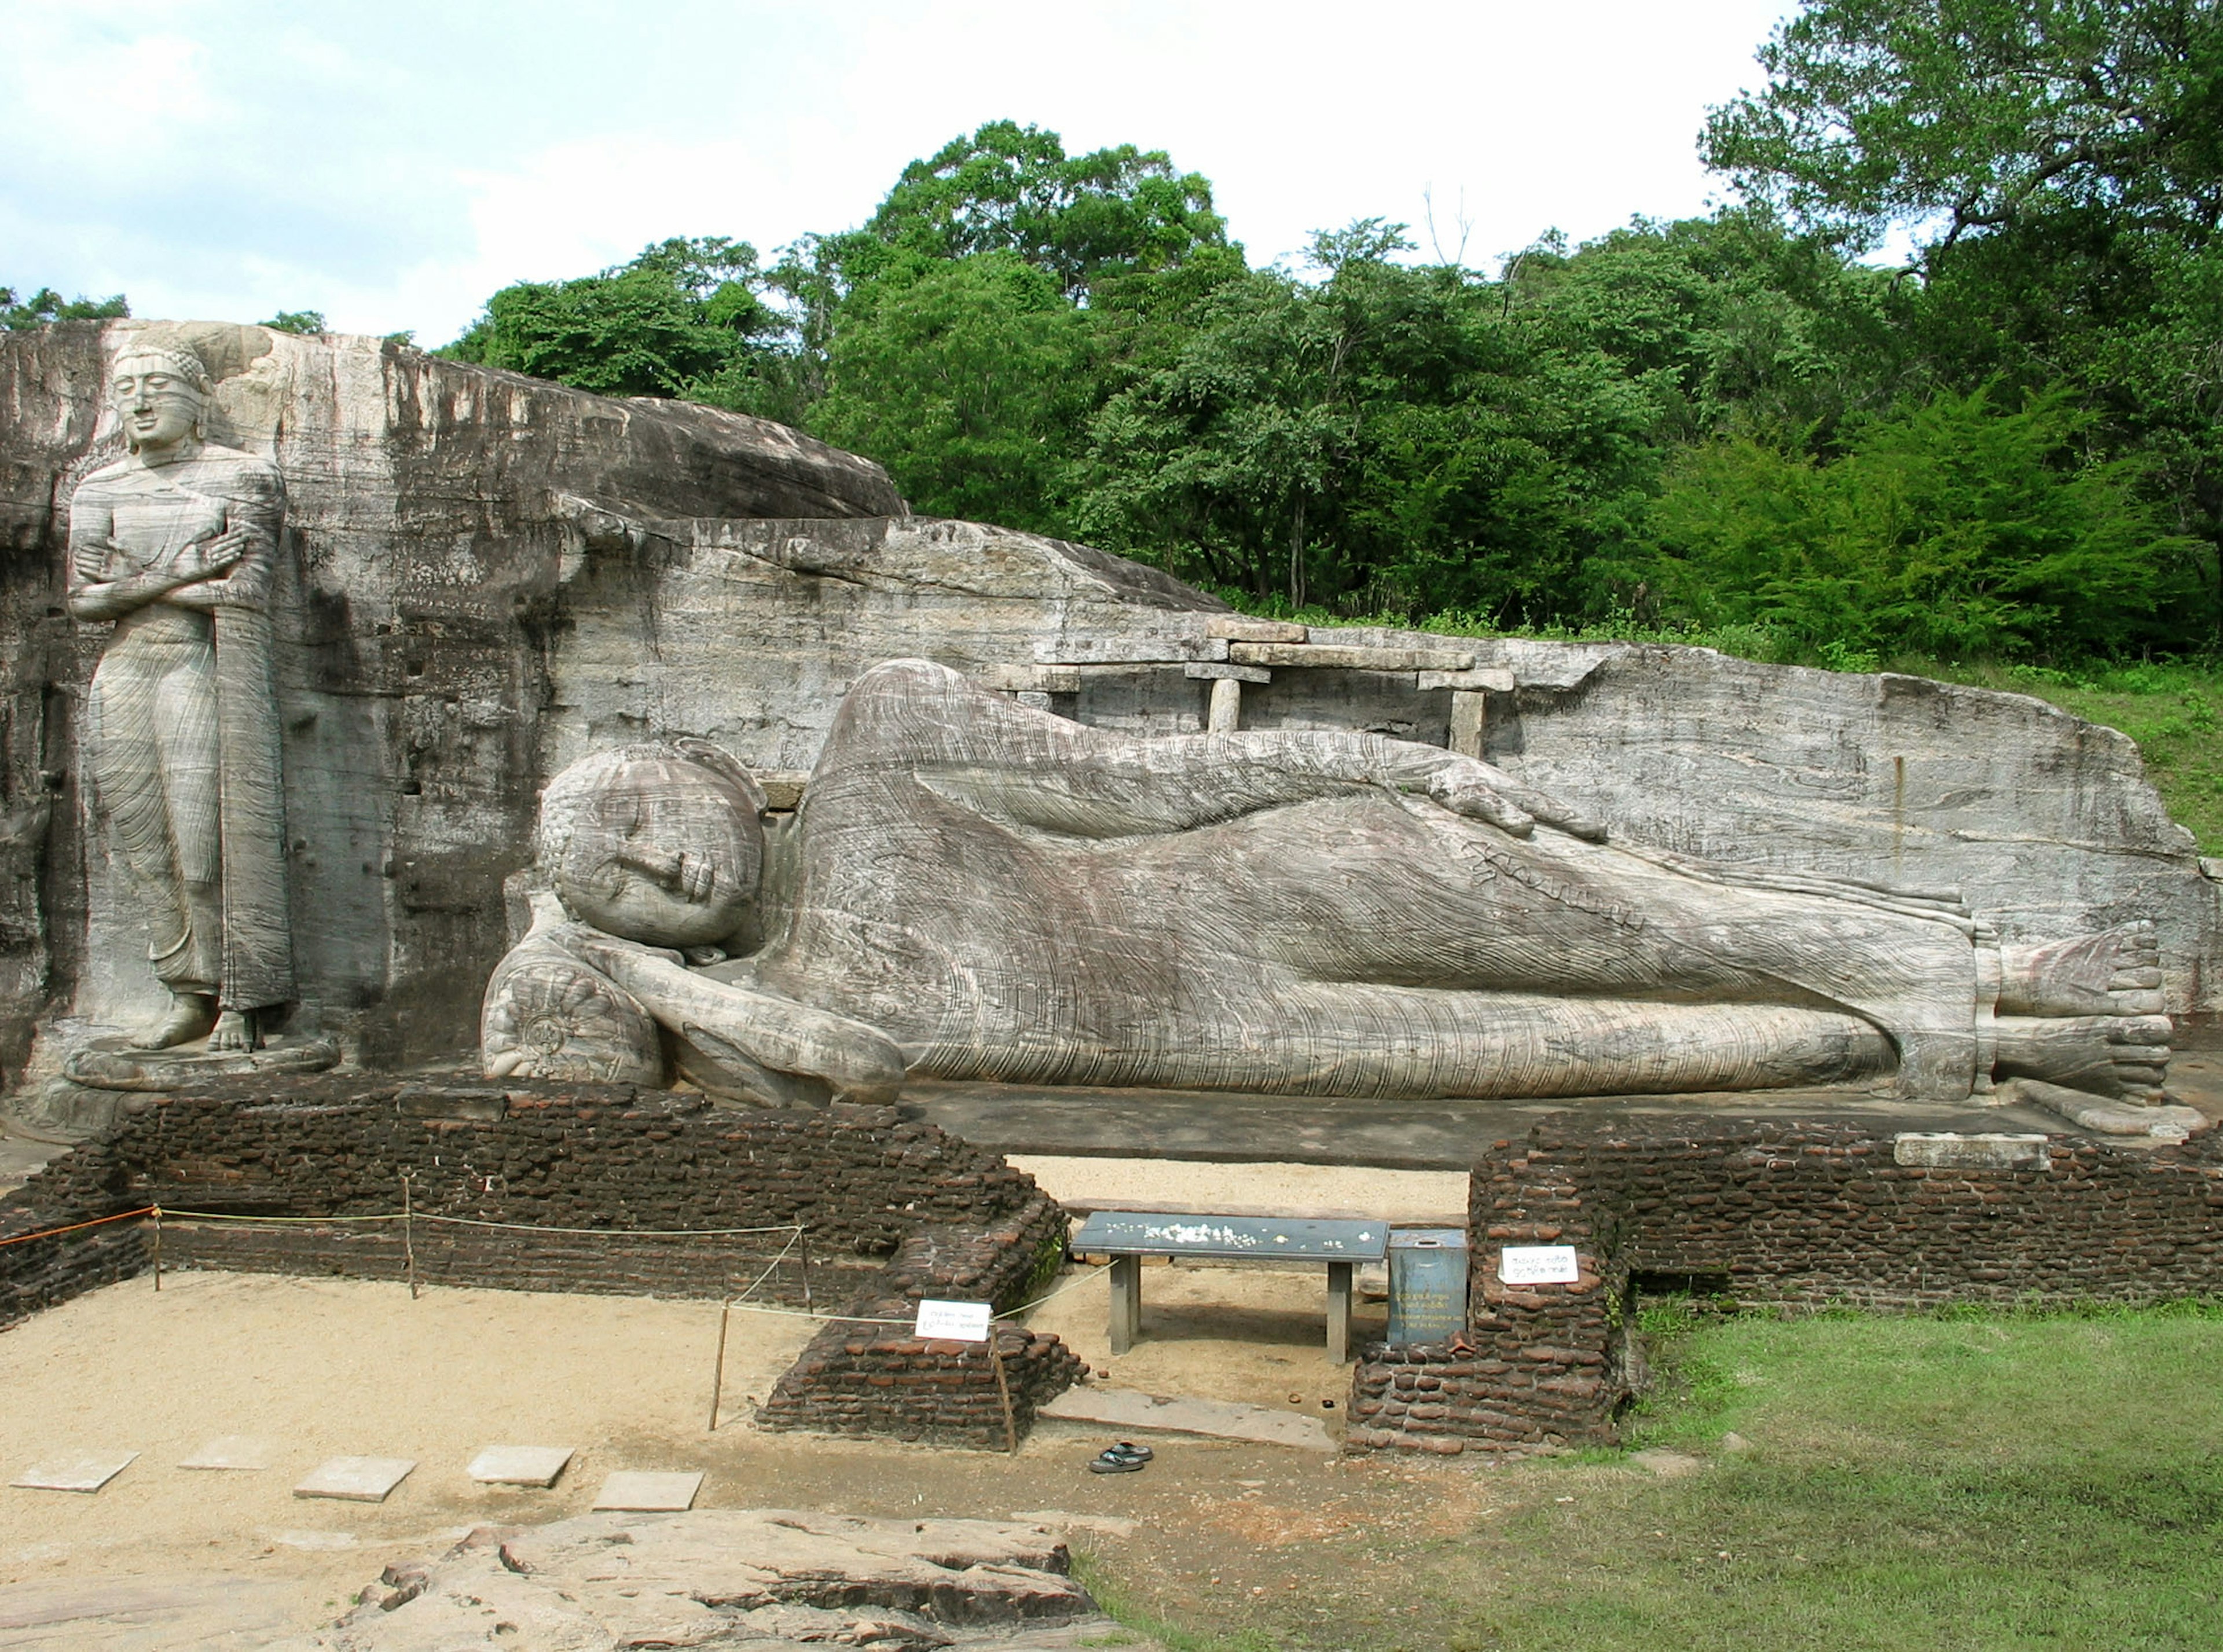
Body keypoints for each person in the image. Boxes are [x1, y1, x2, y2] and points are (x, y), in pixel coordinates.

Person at [486, 659, 2171, 1107]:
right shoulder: (781, 1009)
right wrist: (642, 984)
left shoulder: (881, 739)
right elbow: (858, 1068)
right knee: (1675, 1047)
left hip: (1279, 887)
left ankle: (2011, 966)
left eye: (635, 813)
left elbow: (1156, 780)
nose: (658, 861)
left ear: (690, 763)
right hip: (1251, 1038)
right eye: (617, 892)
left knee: (1665, 926)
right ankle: (1991, 1044)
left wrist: (1400, 762)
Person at [67, 340, 294, 1051]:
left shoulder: (242, 477)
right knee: (146, 847)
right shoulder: (100, 488)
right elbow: (83, 601)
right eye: (127, 386)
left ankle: (240, 997)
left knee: (204, 845)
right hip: (125, 670)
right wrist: (184, 567)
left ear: (198, 400)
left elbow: (246, 591)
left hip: (197, 669)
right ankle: (186, 992)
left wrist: (139, 579)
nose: (139, 400)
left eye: (157, 384)